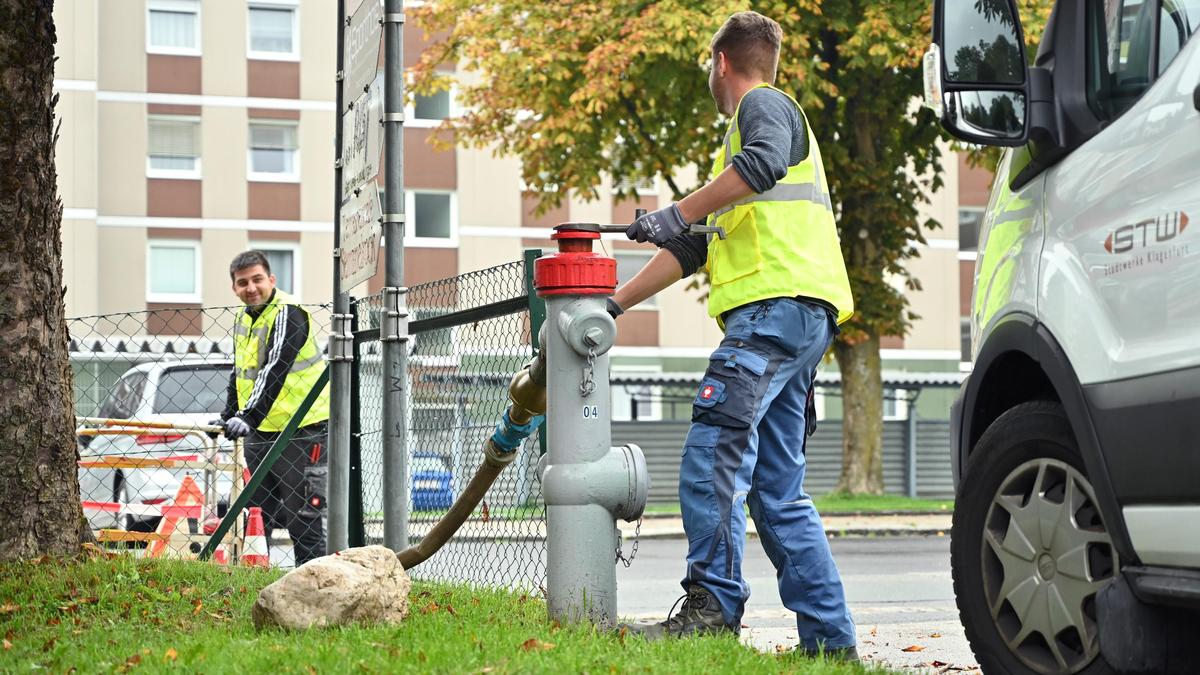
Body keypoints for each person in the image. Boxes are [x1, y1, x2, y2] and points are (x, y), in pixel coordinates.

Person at [614, 11, 858, 659]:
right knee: (777, 492)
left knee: (712, 454)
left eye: (708, 68)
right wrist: (615, 303)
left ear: (722, 62)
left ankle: (713, 606)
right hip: (798, 317)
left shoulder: (764, 105)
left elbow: (763, 163)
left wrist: (677, 208)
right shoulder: (736, 159)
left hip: (771, 313)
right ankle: (832, 649)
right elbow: (691, 246)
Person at [213, 250, 330, 566]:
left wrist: (247, 416)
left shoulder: (288, 313)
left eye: (257, 280)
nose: (250, 288)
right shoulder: (243, 317)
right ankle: (253, 585)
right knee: (255, 517)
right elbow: (242, 371)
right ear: (234, 288)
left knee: (302, 518)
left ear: (271, 280)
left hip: (302, 432)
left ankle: (312, 587)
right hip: (262, 434)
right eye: (242, 283)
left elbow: (275, 369)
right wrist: (229, 414)